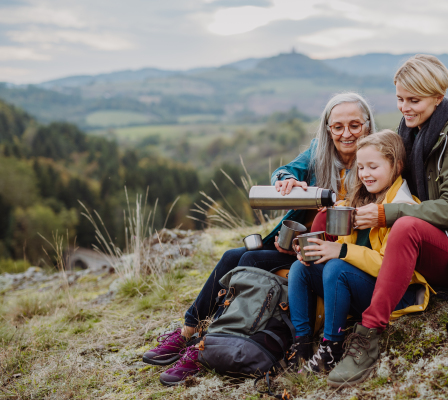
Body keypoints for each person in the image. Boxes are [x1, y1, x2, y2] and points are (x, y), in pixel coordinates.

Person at [144, 92, 377, 386]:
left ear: (368, 125)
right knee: (232, 257)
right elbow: (285, 171)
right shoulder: (319, 151)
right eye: (337, 126)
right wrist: (284, 181)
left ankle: (208, 342)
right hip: (300, 246)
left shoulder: (374, 158)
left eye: (355, 126)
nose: (346, 134)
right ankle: (190, 331)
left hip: (334, 256)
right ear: (327, 128)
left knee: (248, 260)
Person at [326, 54, 448, 388]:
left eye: (414, 100)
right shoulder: (409, 132)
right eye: (400, 99)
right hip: (423, 244)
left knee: (405, 225)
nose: (405, 108)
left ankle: (368, 336)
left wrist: (386, 214)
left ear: (438, 97)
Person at [287, 130, 431, 373]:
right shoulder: (358, 201)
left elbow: (388, 266)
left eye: (373, 167)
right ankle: (301, 346)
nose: (365, 174)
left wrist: (339, 250)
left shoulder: (403, 208)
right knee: (301, 267)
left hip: (394, 296)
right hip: (358, 286)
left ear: (396, 166)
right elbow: (344, 252)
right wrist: (316, 250)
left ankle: (330, 348)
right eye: (361, 167)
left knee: (336, 266)